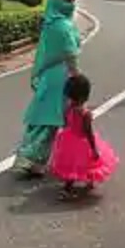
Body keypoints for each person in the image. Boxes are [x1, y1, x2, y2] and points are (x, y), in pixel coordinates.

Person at [13, 0, 80, 178]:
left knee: (43, 118)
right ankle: (37, 160)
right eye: (68, 0)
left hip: (49, 76)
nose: (71, 3)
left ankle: (32, 158)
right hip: (62, 76)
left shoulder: (51, 23)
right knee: (55, 121)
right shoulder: (63, 26)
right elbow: (70, 53)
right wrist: (77, 76)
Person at [48, 73, 119, 201]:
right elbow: (88, 132)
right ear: (85, 95)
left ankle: (67, 189)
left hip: (68, 139)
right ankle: (88, 182)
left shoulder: (68, 108)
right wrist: (94, 148)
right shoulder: (85, 113)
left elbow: (65, 123)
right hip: (82, 141)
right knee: (89, 162)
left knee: (71, 165)